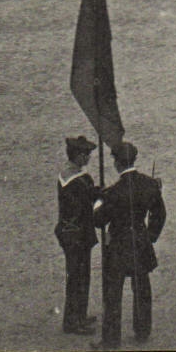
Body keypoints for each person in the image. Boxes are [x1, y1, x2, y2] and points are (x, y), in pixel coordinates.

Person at [95, 141, 166, 349]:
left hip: (118, 245)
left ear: (117, 164)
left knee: (113, 292)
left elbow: (99, 219)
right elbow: (160, 214)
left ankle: (111, 339)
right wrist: (150, 236)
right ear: (133, 160)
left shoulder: (113, 193)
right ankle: (143, 330)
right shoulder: (150, 185)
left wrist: (99, 199)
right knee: (141, 287)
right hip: (140, 242)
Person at [55, 136, 99, 336]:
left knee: (76, 276)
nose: (89, 158)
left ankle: (77, 316)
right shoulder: (80, 181)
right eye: (87, 155)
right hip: (79, 235)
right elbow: (89, 202)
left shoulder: (66, 176)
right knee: (79, 278)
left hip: (68, 233)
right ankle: (74, 322)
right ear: (79, 156)